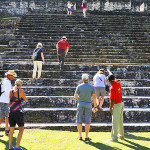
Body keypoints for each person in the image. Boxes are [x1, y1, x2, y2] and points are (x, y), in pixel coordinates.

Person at [74, 74, 97, 141]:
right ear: (88, 79)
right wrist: (95, 106)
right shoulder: (92, 87)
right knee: (87, 121)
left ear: (82, 79)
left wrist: (80, 99)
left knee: (79, 120)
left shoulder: (79, 86)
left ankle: (80, 136)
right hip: (88, 105)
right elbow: (94, 97)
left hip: (80, 104)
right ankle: (86, 136)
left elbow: (75, 96)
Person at [107, 69, 124, 142]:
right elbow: (113, 76)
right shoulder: (117, 82)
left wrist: (110, 108)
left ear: (109, 81)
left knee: (115, 122)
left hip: (116, 105)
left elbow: (112, 100)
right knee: (120, 121)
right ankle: (121, 135)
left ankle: (114, 138)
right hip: (121, 103)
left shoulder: (112, 87)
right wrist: (109, 72)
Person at [9, 79, 27, 150]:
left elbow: (10, 99)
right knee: (21, 129)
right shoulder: (21, 91)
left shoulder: (11, 91)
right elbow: (25, 99)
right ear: (21, 85)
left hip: (11, 110)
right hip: (18, 111)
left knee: (11, 130)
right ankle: (17, 146)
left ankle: (10, 147)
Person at [0, 70, 17, 137]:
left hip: (3, 99)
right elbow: (8, 92)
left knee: (6, 114)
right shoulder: (7, 82)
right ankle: (7, 128)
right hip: (4, 100)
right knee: (1, 116)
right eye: (12, 75)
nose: (13, 77)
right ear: (9, 75)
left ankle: (7, 128)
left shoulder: (4, 80)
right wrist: (13, 97)